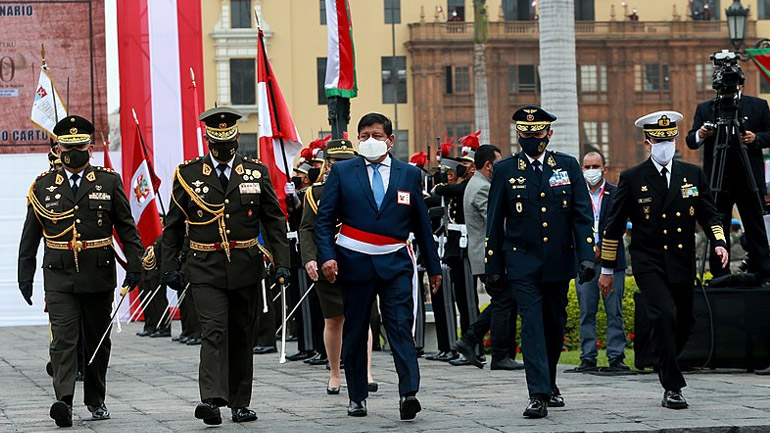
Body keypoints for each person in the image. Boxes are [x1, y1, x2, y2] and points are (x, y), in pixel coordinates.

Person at [161, 107, 291, 425]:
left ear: (236, 140)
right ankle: (211, 400)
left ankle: (239, 402)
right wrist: (169, 266)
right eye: (216, 143)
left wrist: (283, 263)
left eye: (228, 141)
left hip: (245, 265)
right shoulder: (188, 174)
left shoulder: (255, 172)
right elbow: (174, 225)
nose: (223, 149)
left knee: (241, 334)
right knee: (214, 330)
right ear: (207, 140)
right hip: (205, 266)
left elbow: (274, 220)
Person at [18, 115, 143, 427]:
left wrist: (136, 266)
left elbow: (126, 229)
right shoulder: (43, 187)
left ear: (90, 148)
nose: (74, 152)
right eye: (68, 146)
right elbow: (30, 235)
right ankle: (64, 400)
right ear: (58, 149)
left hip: (98, 274)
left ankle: (95, 399)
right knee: (63, 338)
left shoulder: (108, 182)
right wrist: (25, 274)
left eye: (81, 146)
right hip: (58, 275)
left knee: (96, 340)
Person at [315, 112, 441, 420]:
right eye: (364, 136)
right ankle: (357, 396)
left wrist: (433, 266)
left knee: (399, 327)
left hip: (395, 262)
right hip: (354, 262)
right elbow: (324, 220)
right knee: (356, 331)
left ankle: (408, 392)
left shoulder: (408, 174)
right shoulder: (343, 172)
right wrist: (327, 256)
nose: (370, 141)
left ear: (390, 140)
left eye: (377, 135)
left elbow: (421, 223)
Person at [600, 110, 729, 409]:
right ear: (647, 142)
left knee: (684, 321)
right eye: (659, 140)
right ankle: (673, 386)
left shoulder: (693, 174)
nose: (665, 145)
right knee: (663, 314)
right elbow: (614, 227)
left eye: (669, 139)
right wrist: (607, 269)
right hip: (649, 260)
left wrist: (720, 241)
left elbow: (710, 214)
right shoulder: (632, 178)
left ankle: (662, 356)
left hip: (682, 260)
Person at [485, 106, 595, 419]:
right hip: (521, 261)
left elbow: (581, 214)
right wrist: (492, 265)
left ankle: (550, 382)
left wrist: (586, 255)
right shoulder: (506, 169)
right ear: (518, 134)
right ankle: (538, 394)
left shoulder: (567, 165)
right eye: (526, 133)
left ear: (549, 133)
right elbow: (495, 220)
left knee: (554, 325)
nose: (532, 137)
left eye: (538, 132)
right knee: (531, 326)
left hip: (558, 260)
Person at [300, 138, 379, 394]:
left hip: (358, 260)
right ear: (327, 164)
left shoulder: (365, 187)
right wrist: (310, 258)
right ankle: (335, 373)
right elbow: (307, 229)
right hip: (327, 261)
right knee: (334, 320)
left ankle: (365, 371)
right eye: (335, 162)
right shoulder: (314, 193)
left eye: (345, 162)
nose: (339, 167)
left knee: (362, 317)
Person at [685, 77, 770, 283]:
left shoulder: (757, 105)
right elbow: (691, 141)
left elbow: (769, 133)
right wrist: (702, 134)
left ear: (742, 84)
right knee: (717, 226)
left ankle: (763, 272)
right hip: (718, 178)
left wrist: (756, 138)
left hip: (749, 176)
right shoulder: (707, 108)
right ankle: (720, 275)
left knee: (755, 225)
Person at [454, 144, 525, 370]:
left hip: (486, 255)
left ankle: (471, 340)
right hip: (490, 256)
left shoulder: (479, 184)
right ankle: (497, 353)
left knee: (502, 301)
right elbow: (495, 223)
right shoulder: (483, 188)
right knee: (504, 302)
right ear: (488, 165)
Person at [574, 151, 628, 372]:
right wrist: (588, 250)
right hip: (585, 262)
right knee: (587, 310)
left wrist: (602, 249)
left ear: (604, 168)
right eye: (587, 167)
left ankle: (616, 356)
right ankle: (588, 356)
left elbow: (620, 226)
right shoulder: (576, 195)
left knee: (614, 310)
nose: (591, 171)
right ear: (581, 169)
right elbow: (573, 227)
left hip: (613, 261)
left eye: (595, 166)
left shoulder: (616, 193)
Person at [136, 232, 171, 338]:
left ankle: (164, 327)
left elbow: (163, 258)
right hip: (147, 274)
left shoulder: (162, 238)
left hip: (156, 273)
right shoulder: (144, 237)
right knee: (148, 302)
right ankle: (151, 325)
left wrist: (163, 275)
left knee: (159, 302)